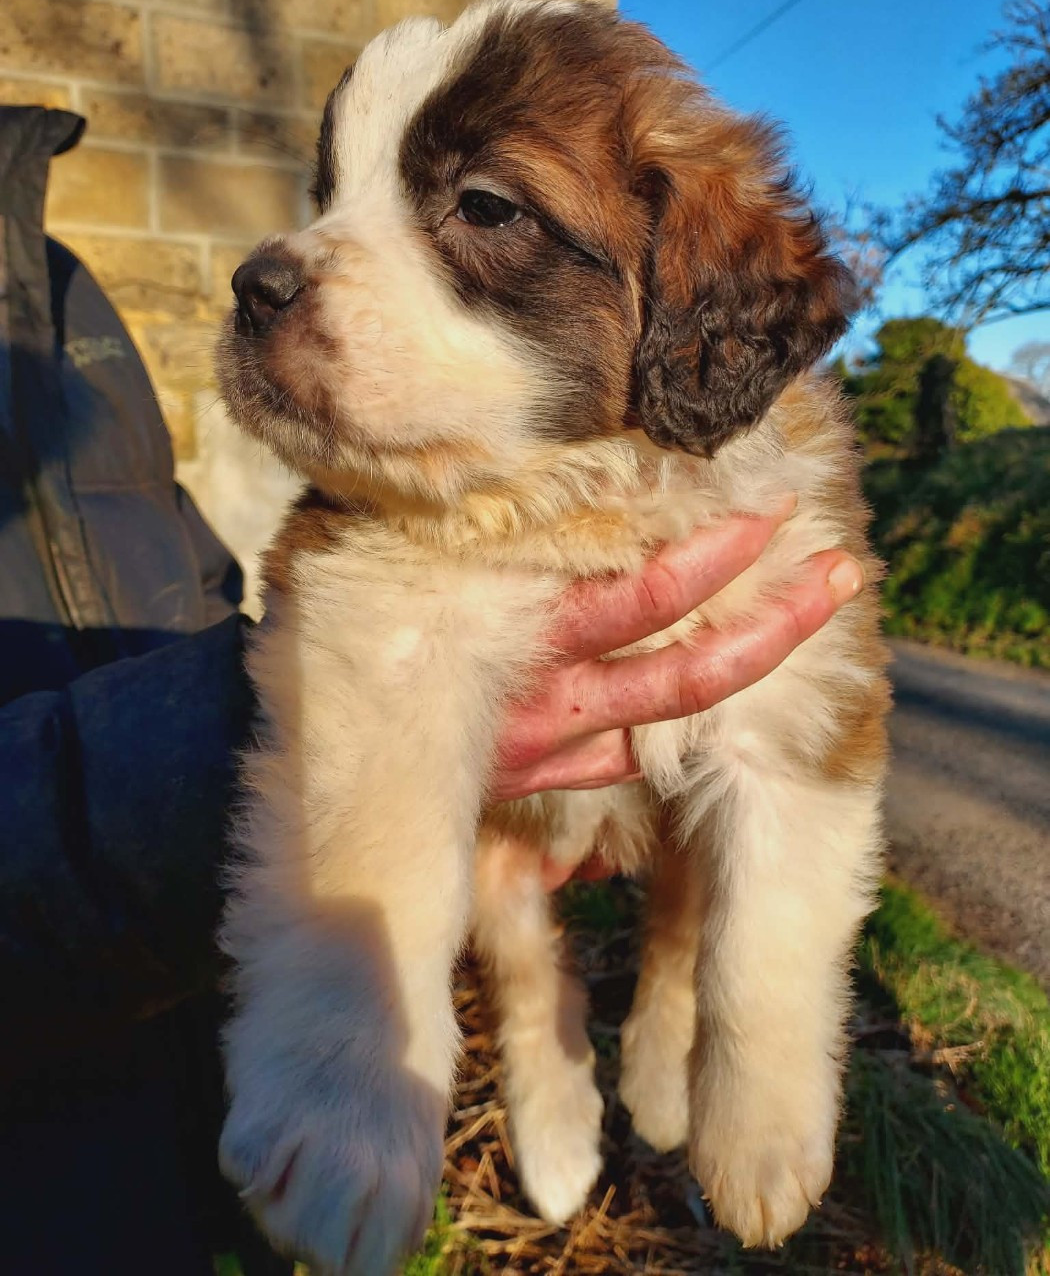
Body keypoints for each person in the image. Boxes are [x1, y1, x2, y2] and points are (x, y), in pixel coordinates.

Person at [0, 105, 864, 1274]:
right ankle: (537, 1026)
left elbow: (803, 762)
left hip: (152, 1028)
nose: (281, 264)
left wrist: (749, 1028)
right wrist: (343, 1032)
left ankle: (666, 987)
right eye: (337, 191)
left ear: (689, 304)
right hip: (83, 1139)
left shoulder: (44, 266)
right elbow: (371, 661)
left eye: (483, 208)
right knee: (505, 882)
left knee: (729, 799)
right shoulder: (403, 500)